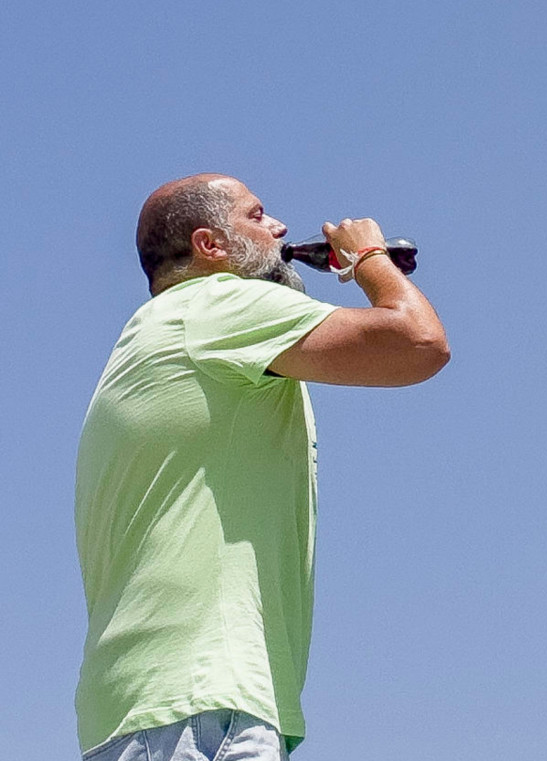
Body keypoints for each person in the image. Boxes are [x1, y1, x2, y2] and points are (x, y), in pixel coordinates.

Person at [74, 174, 450, 760]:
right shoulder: (217, 305)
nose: (279, 227)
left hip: (147, 711)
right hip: (199, 705)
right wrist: (370, 257)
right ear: (211, 246)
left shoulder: (162, 330)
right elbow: (418, 343)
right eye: (257, 215)